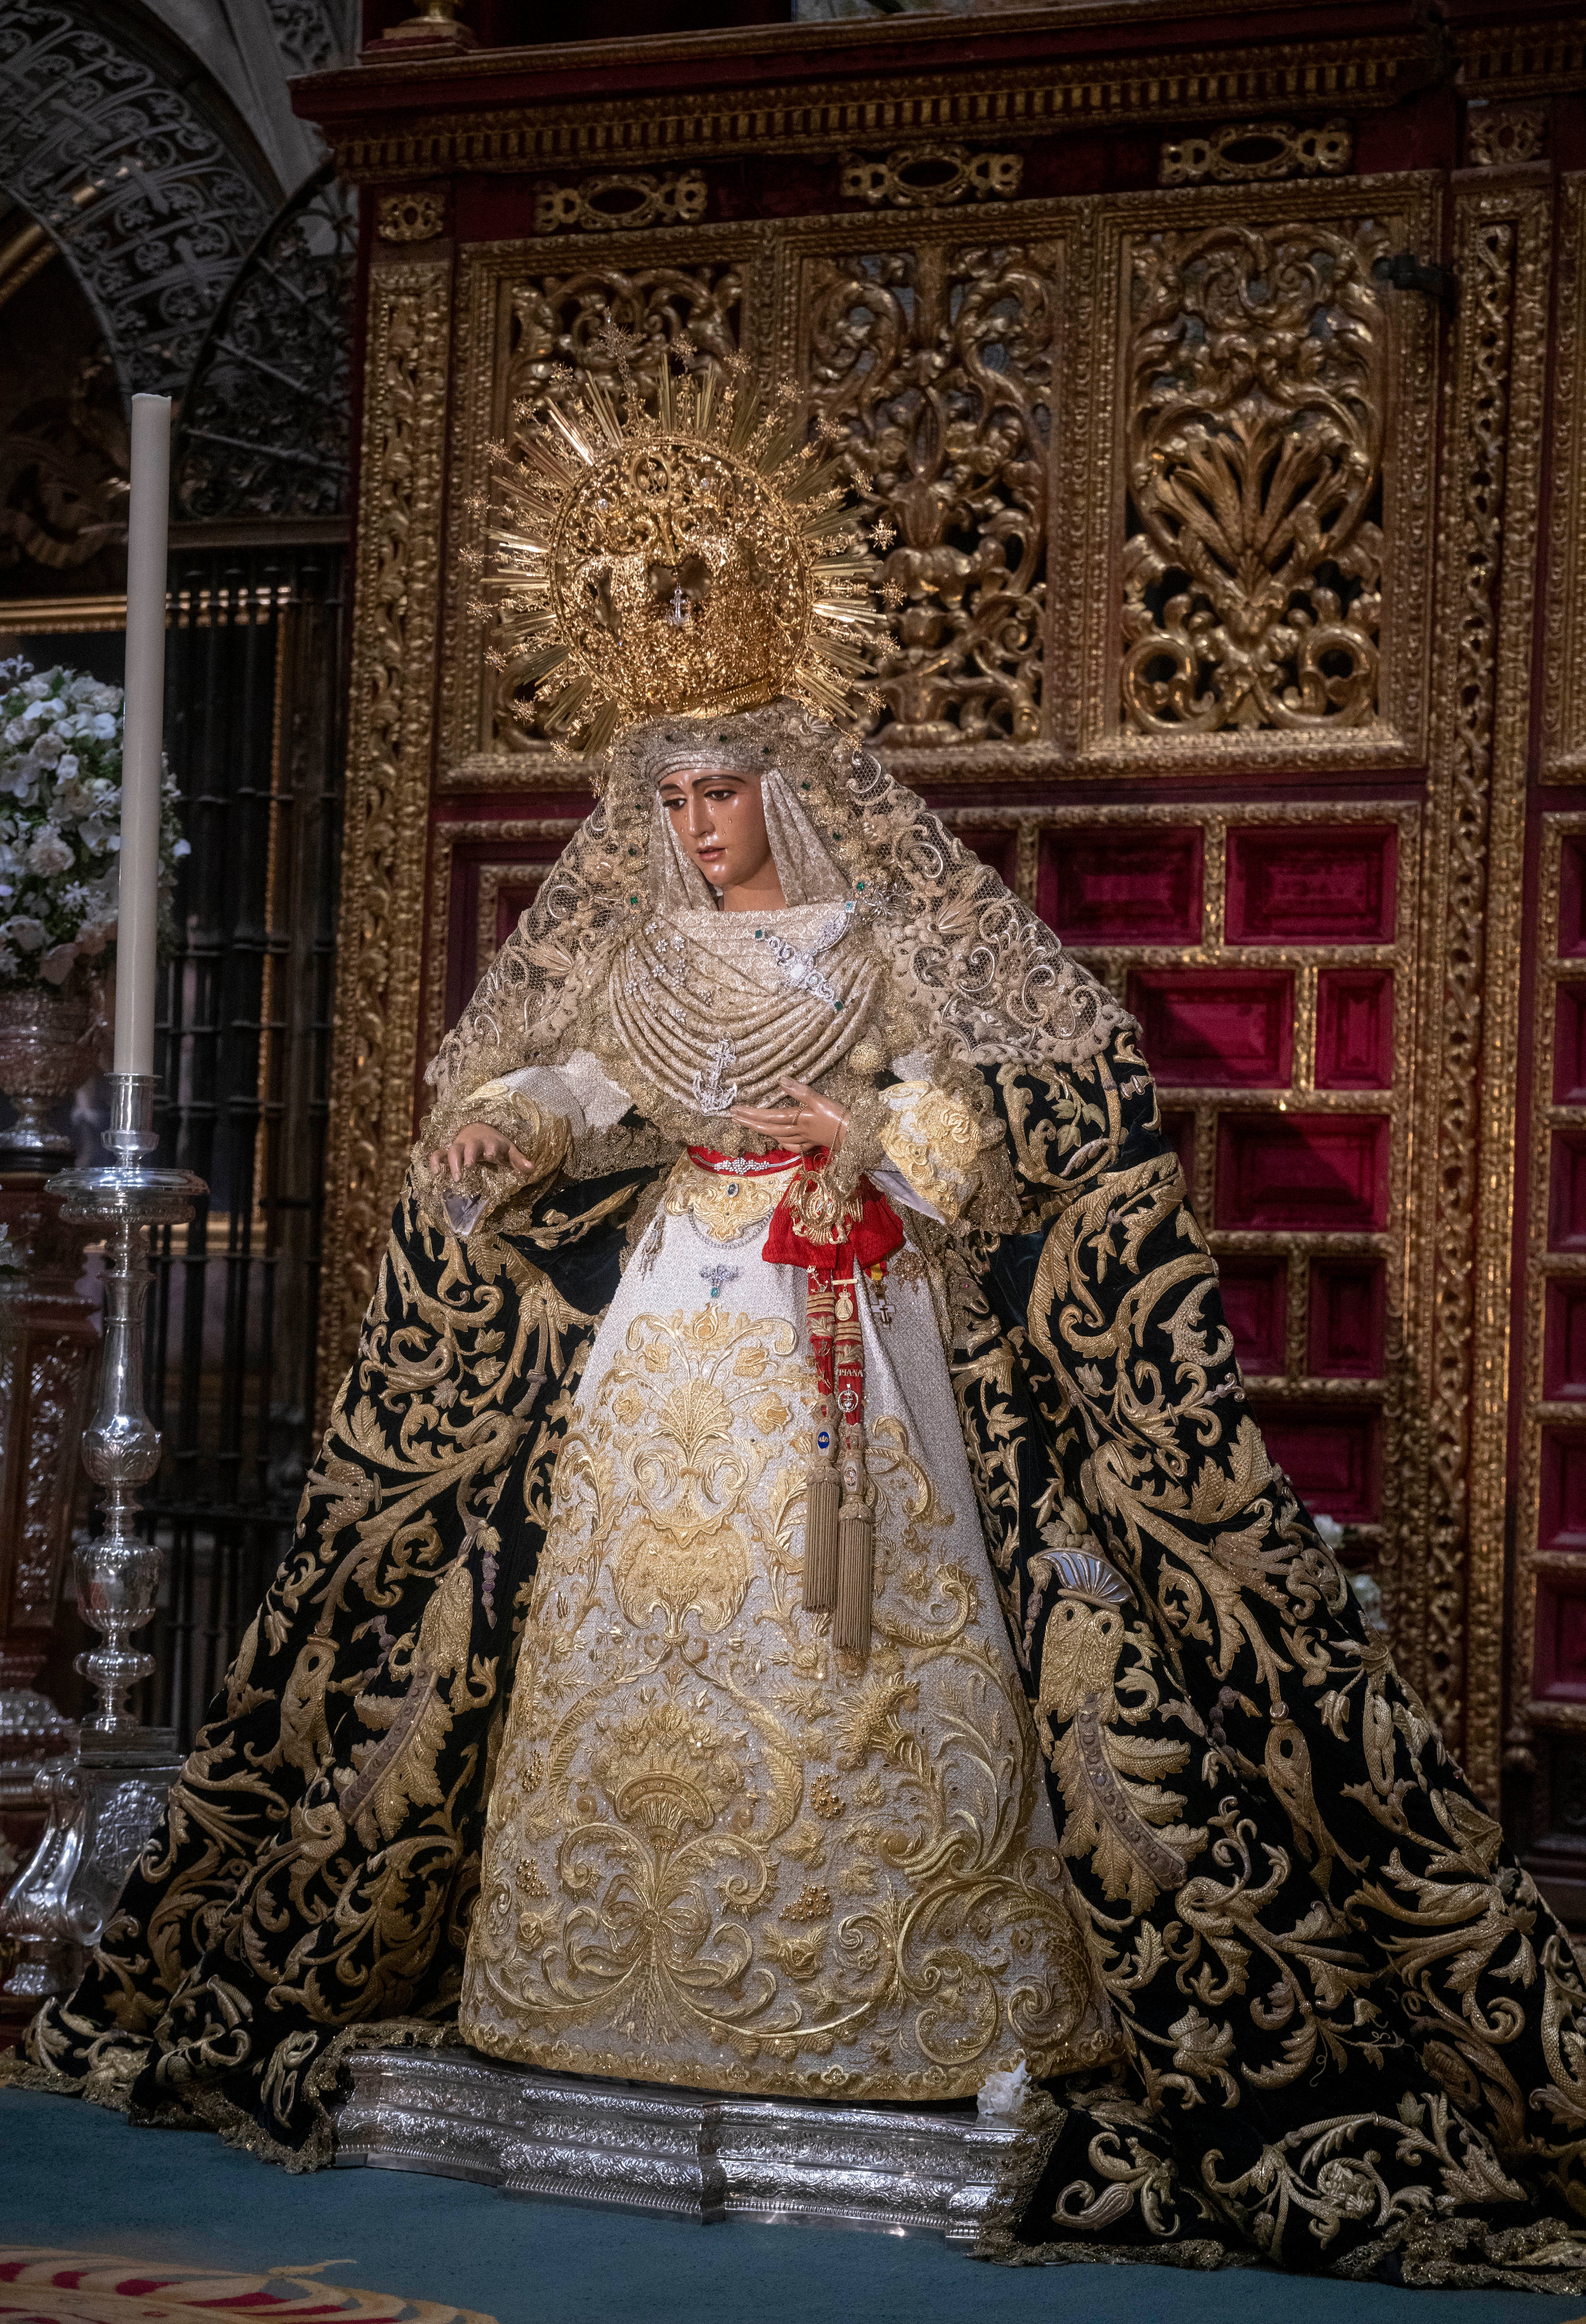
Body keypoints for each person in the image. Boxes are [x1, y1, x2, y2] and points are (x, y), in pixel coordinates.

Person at [10, 361, 1586, 2291]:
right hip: (678, 1301)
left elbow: (983, 1094)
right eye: (669, 799)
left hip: (846, 1299)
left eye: (719, 795)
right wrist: (508, 1122)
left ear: (785, 786)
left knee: (851, 1624)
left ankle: (891, 1978)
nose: (693, 828)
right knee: (636, 1604)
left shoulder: (876, 937)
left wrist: (873, 1140)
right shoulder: (643, 945)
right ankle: (613, 1976)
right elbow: (591, 1077)